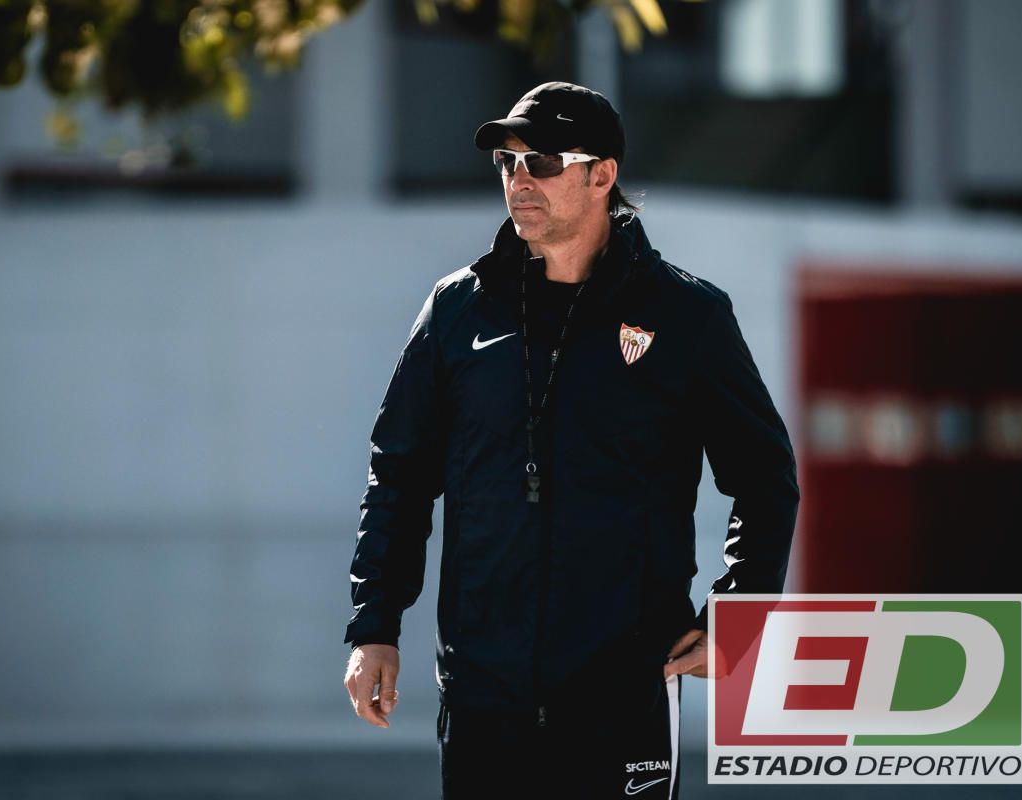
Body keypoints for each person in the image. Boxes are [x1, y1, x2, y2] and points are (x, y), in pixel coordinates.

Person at [342, 81, 800, 799]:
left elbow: (765, 477)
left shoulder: (687, 316)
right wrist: (374, 625)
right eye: (507, 162)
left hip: (624, 695)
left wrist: (736, 617)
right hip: (484, 698)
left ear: (602, 175)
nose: (519, 180)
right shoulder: (457, 311)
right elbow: (397, 474)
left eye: (544, 162)